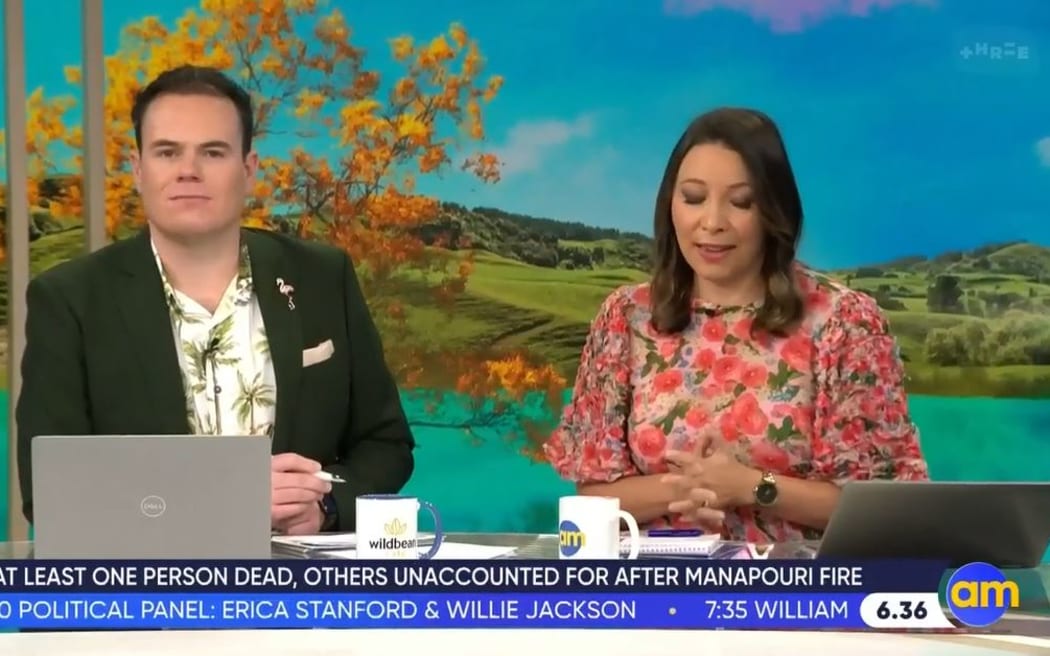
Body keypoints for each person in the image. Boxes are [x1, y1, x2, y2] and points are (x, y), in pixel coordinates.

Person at [16, 65, 414, 535]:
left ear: (248, 169)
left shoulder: (322, 277)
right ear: (138, 169)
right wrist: (228, 499)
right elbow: (52, 491)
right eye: (168, 152)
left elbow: (385, 443)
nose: (188, 170)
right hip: (152, 576)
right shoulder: (70, 299)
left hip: (301, 575)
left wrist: (326, 506)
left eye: (213, 152)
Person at [542, 107, 929, 544]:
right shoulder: (626, 317)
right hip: (656, 583)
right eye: (693, 198)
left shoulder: (844, 324)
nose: (712, 222)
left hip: (798, 584)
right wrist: (691, 487)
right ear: (670, 204)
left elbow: (881, 509)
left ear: (774, 212)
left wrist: (751, 486)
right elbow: (592, 499)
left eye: (741, 202)